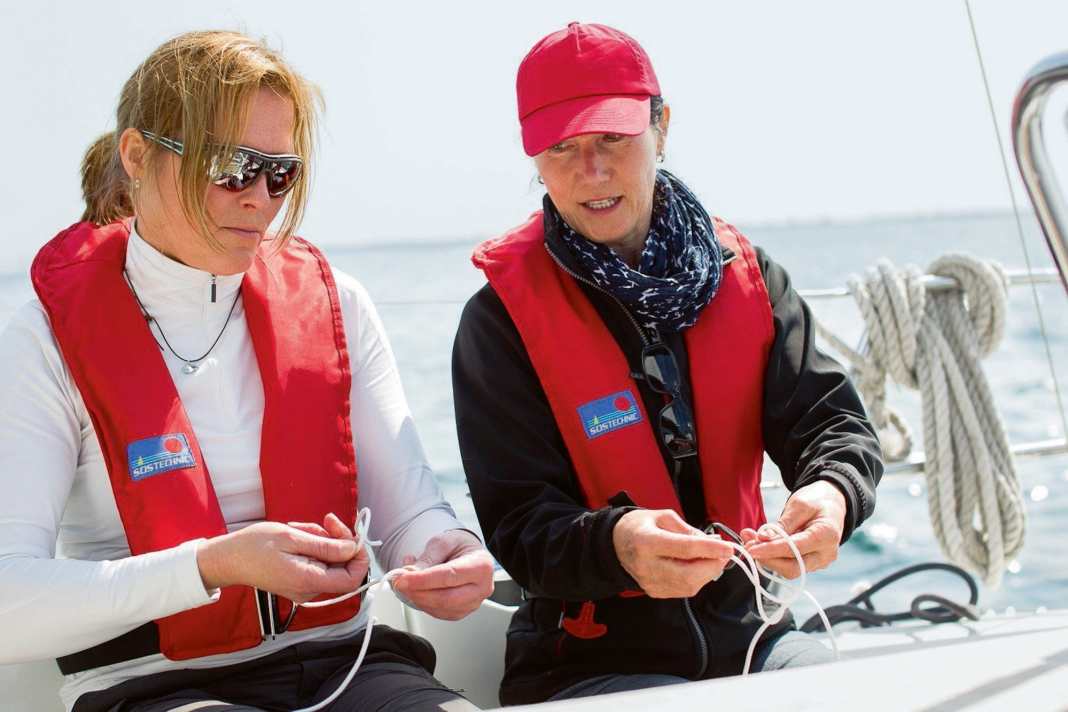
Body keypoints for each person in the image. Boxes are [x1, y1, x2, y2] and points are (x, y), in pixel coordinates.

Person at [0, 30, 493, 712]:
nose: (260, 196)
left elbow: (411, 515)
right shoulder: (41, 342)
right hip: (153, 685)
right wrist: (212, 566)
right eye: (230, 165)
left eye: (280, 171)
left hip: (347, 665)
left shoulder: (339, 304)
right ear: (137, 157)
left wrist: (448, 551)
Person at [452, 22, 883, 705]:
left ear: (662, 126)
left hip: (757, 636)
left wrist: (832, 494)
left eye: (612, 140)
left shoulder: (750, 277)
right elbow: (518, 524)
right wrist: (617, 545)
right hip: (584, 666)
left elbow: (832, 425)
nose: (590, 171)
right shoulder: (498, 323)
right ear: (534, 158)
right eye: (561, 148)